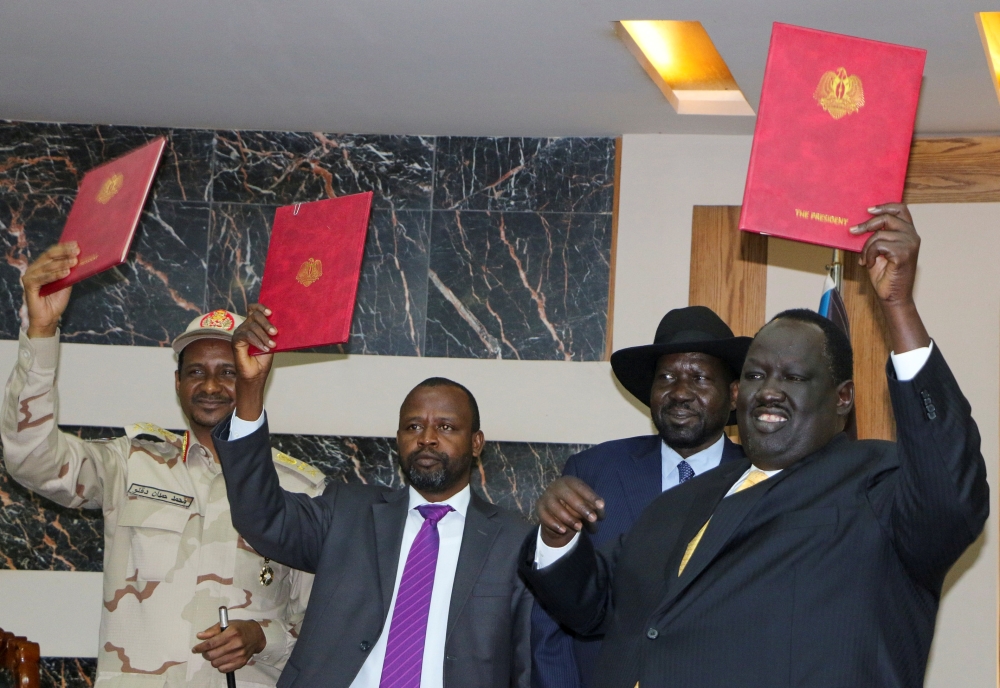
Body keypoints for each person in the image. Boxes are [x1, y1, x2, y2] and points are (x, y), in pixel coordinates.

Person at [520, 204, 989, 687]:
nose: (768, 390)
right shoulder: (682, 502)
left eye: (793, 377)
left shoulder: (876, 483)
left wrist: (898, 308)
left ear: (843, 397)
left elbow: (950, 489)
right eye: (756, 375)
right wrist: (557, 541)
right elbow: (596, 608)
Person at [1, 243, 324, 687]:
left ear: (254, 376)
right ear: (177, 382)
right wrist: (41, 329)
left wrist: (262, 637)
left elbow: (324, 628)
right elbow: (31, 459)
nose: (210, 385)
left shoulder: (298, 491)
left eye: (228, 371)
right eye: (196, 372)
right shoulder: (130, 464)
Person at [210, 303, 533, 688]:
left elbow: (528, 661)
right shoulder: (348, 512)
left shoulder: (515, 540)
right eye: (413, 426)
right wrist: (248, 390)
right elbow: (261, 518)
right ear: (398, 439)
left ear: (476, 442)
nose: (427, 437)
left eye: (446, 426)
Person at [531, 306, 750, 688]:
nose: (680, 392)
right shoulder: (593, 471)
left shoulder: (761, 480)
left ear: (733, 395)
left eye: (699, 377)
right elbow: (553, 617)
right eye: (666, 377)